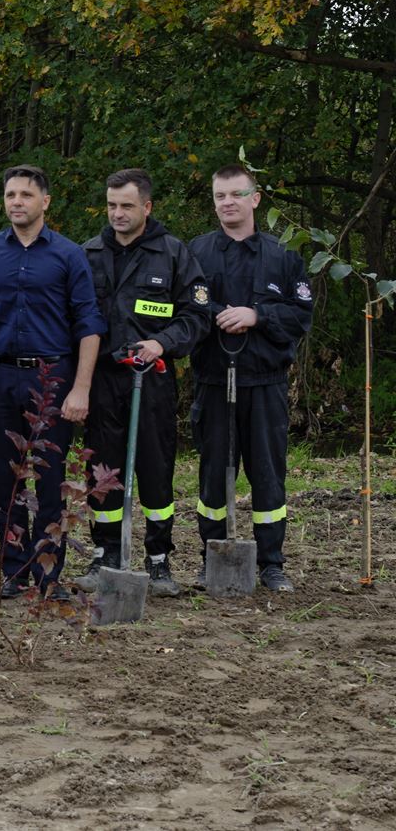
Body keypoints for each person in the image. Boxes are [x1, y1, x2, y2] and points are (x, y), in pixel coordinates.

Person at [0, 165, 106, 598]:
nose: (16, 202)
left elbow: (88, 324)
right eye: (10, 195)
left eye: (26, 195)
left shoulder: (68, 255)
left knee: (49, 477)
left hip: (52, 378)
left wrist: (80, 388)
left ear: (44, 202)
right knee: (7, 477)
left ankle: (49, 574)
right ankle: (12, 569)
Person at [78, 169, 210, 597]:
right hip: (102, 380)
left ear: (147, 207)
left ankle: (158, 560)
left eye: (127, 206)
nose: (117, 213)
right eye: (112, 205)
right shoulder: (90, 254)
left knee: (155, 468)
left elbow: (197, 316)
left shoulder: (172, 253)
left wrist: (162, 342)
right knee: (102, 470)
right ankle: (106, 555)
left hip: (150, 379)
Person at [189, 164, 313, 592]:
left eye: (236, 194)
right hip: (212, 380)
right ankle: (213, 556)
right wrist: (216, 316)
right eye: (220, 196)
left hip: (265, 383)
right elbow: (182, 310)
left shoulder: (285, 257)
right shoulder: (196, 254)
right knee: (211, 477)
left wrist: (257, 315)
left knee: (267, 473)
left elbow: (302, 315)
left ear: (255, 199)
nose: (227, 203)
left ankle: (271, 563)